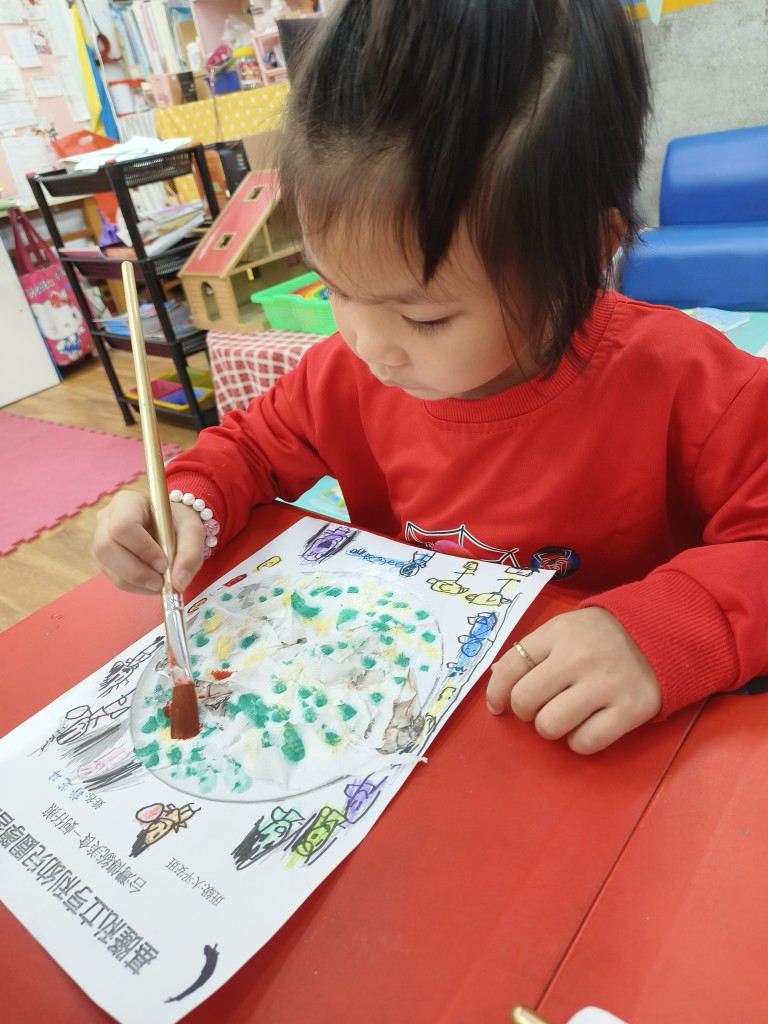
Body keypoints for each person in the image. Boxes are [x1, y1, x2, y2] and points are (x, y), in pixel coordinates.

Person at [93, 0, 768, 754]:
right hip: (401, 717)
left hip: (593, 746)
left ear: (584, 253)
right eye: (335, 288)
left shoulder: (690, 384)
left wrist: (665, 631)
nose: (370, 346)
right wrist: (188, 502)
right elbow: (250, 446)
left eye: (425, 318)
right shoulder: (345, 373)